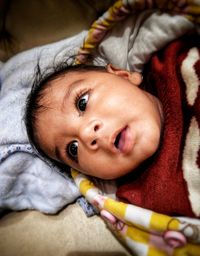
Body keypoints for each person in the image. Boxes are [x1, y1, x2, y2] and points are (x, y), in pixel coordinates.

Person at [25, 34, 200, 218]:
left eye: (82, 103)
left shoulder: (173, 58)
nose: (86, 135)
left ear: (123, 76)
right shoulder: (140, 203)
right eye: (73, 149)